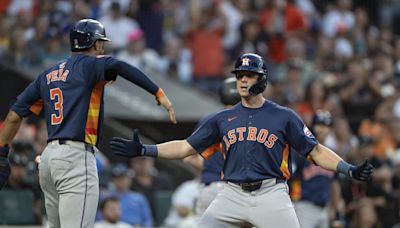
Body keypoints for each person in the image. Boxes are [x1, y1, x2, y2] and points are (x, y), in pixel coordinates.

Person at [110, 53, 373, 228]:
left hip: (271, 194)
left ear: (262, 79)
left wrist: (347, 168)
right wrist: (146, 149)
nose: (242, 80)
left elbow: (315, 151)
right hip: (231, 194)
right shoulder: (222, 118)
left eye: (249, 75)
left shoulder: (283, 116)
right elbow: (184, 147)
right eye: (239, 75)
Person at [0, 19, 176, 228]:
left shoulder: (47, 74)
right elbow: (119, 65)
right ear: (93, 43)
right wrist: (157, 91)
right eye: (101, 42)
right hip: (75, 157)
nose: (103, 47)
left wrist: (2, 151)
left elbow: (13, 116)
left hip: (48, 160)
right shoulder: (90, 64)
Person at [183, 76, 241, 217]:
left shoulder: (209, 119)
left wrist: (211, 166)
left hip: (211, 189)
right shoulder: (252, 121)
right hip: (239, 191)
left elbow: (188, 158)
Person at [290, 110, 344, 228]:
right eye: (319, 125)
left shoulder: (332, 154)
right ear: (312, 127)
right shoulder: (302, 151)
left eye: (326, 126)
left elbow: (335, 184)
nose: (322, 129)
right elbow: (290, 177)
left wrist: (335, 210)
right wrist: (293, 202)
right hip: (304, 206)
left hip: (324, 208)